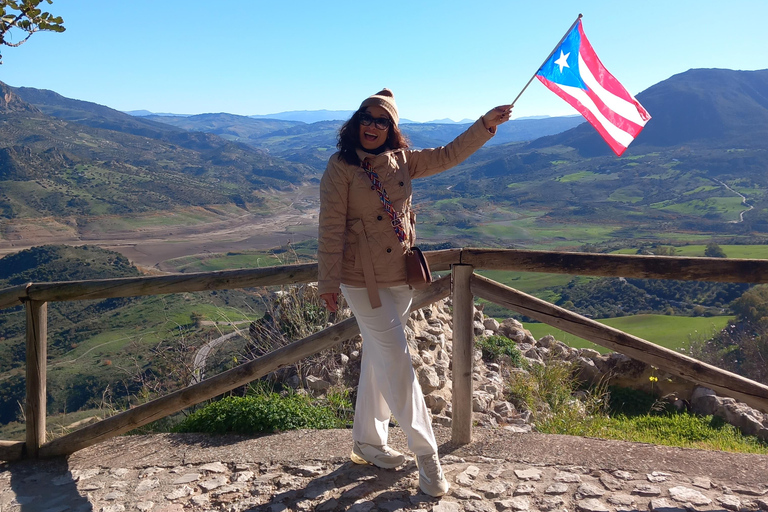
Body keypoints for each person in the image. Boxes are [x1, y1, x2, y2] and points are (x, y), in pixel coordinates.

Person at [318, 88, 511, 497]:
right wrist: (328, 283)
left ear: (392, 129)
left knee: (378, 356)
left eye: (382, 120)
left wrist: (485, 125)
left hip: (400, 277)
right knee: (397, 360)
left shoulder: (403, 160)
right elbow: (330, 227)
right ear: (356, 122)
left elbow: (447, 155)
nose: (372, 126)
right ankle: (428, 455)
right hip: (360, 279)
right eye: (366, 118)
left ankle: (368, 444)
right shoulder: (340, 167)